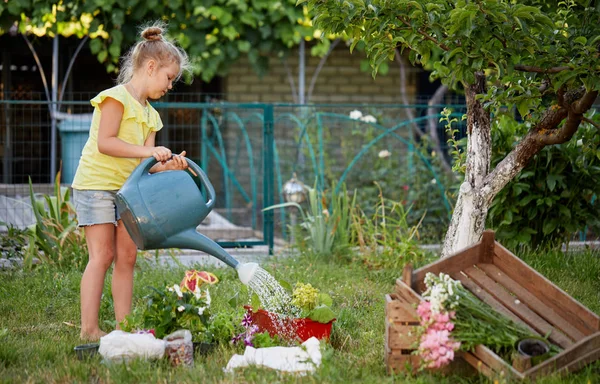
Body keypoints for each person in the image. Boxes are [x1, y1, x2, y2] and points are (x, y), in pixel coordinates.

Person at [71, 22, 192, 341]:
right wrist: (150, 151)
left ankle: (124, 329)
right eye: (168, 78)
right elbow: (106, 143)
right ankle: (89, 329)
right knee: (103, 256)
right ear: (151, 67)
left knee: (126, 256)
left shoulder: (151, 116)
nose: (169, 86)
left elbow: (143, 165)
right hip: (95, 185)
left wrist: (167, 166)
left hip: (127, 191)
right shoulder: (114, 99)